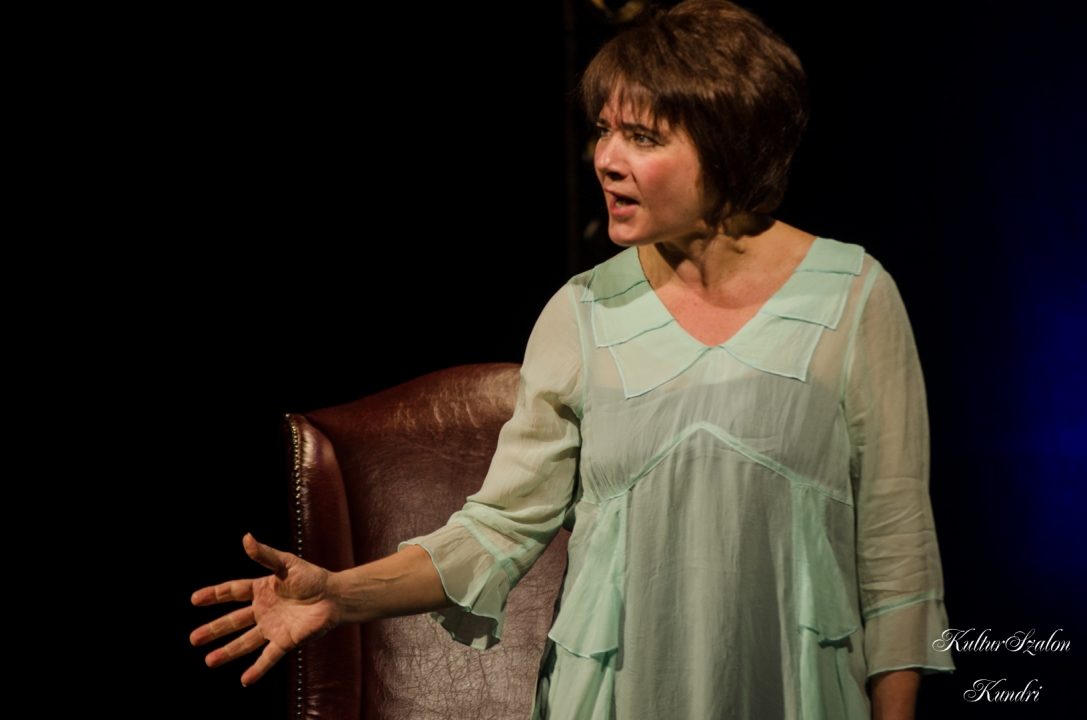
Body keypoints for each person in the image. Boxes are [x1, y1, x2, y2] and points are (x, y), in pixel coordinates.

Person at [191, 2, 954, 717]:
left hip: (793, 687)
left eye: (643, 137)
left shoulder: (852, 296)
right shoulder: (581, 310)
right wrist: (340, 595)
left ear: (732, 147)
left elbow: (896, 552)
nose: (606, 159)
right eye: (603, 130)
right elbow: (497, 529)